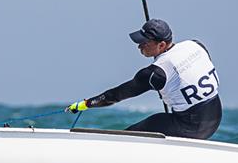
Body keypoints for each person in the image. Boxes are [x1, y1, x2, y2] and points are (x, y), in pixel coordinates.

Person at [65, 18, 222, 139]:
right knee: (158, 124)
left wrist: (85, 104)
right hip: (215, 119)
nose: (139, 46)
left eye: (144, 43)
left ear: (161, 45)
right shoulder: (196, 45)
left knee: (132, 134)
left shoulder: (155, 74)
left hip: (190, 126)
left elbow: (116, 95)